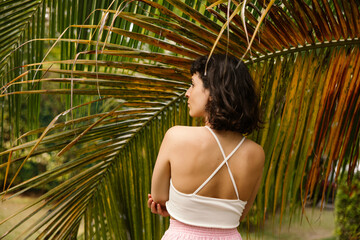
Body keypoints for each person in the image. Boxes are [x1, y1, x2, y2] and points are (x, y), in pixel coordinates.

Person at [147, 54, 265, 239]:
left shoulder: (176, 137)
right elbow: (239, 215)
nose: (187, 92)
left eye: (193, 85)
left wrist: (182, 210)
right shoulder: (256, 153)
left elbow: (159, 198)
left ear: (214, 92)